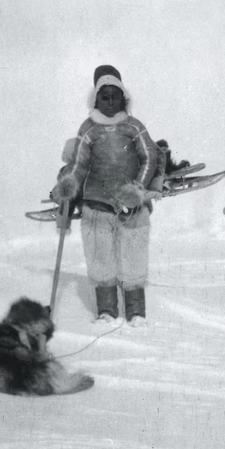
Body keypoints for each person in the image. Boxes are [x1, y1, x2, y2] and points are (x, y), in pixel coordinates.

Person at [52, 65, 159, 329]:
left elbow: (149, 158)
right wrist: (69, 186)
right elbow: (79, 165)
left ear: (125, 98)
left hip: (130, 208)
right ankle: (107, 311)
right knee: (101, 259)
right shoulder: (89, 129)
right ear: (96, 99)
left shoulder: (134, 127)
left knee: (133, 258)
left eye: (115, 96)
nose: (110, 102)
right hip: (96, 205)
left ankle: (136, 312)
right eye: (104, 96)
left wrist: (137, 189)